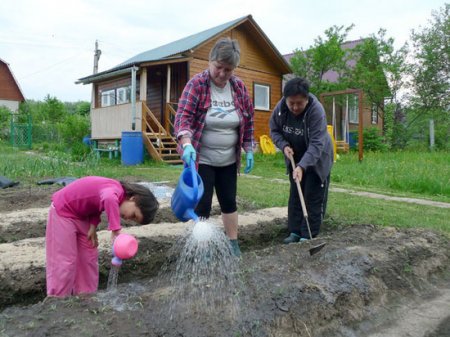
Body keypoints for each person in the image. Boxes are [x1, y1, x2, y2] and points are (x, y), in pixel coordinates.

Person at [174, 37, 255, 257]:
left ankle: (233, 244)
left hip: (229, 159)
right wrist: (186, 142)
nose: (222, 73)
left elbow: (248, 119)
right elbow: (183, 117)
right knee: (202, 206)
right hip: (202, 159)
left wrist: (249, 148)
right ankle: (202, 248)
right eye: (219, 67)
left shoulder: (238, 87)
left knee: (229, 201)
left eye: (228, 70)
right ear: (210, 62)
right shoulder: (197, 85)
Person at [45, 176, 159, 297]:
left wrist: (93, 226)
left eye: (134, 220)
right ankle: (57, 299)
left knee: (89, 257)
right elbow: (108, 198)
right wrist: (115, 230)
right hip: (64, 211)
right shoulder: (115, 190)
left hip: (83, 217)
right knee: (65, 261)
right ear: (133, 198)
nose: (129, 219)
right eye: (134, 215)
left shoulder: (115, 195)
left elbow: (97, 204)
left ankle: (86, 297)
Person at [269, 77, 333, 244]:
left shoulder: (316, 110)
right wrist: (283, 146)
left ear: (307, 99)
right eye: (292, 103)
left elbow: (317, 143)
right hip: (294, 158)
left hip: (317, 158)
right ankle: (295, 231)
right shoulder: (281, 108)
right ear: (286, 99)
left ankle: (308, 235)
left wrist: (303, 166)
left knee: (312, 195)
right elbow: (274, 130)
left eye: (299, 103)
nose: (295, 107)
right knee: (296, 194)